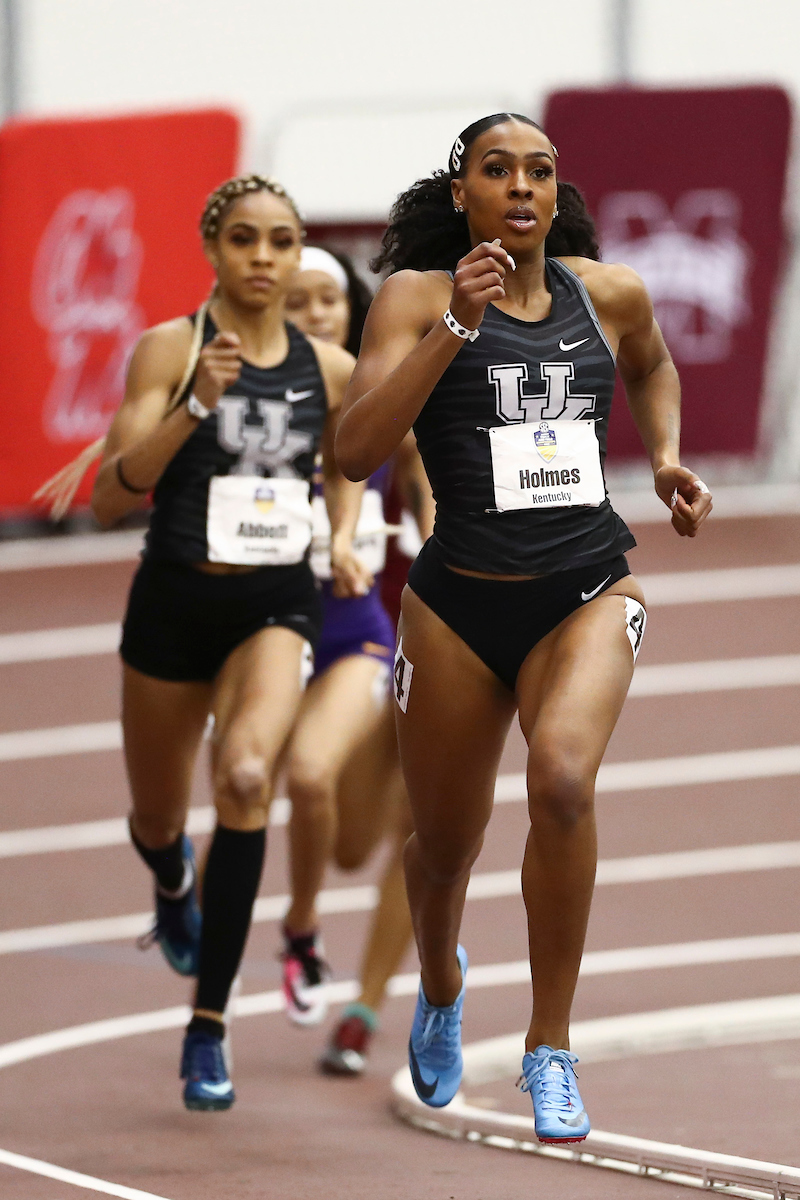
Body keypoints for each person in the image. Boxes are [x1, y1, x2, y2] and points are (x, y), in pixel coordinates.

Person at [335, 113, 712, 1142]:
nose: (518, 187)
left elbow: (651, 366)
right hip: (456, 607)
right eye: (495, 170)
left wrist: (667, 454)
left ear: (555, 193)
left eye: (537, 172)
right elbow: (352, 443)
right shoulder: (415, 299)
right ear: (461, 192)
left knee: (558, 780)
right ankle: (442, 979)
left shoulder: (610, 293)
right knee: (442, 849)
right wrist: (453, 328)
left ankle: (550, 1046)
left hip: (584, 588)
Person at [90, 174, 369, 1112]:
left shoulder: (327, 369)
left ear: (298, 256)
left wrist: (338, 533)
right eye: (245, 239)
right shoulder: (170, 350)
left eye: (282, 242)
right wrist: (193, 407)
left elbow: (349, 466)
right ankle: (171, 876)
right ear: (212, 246)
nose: (263, 258)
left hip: (275, 607)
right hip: (172, 606)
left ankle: (208, 1027)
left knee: (249, 778)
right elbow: (110, 494)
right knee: (161, 819)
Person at [279, 247, 432, 1075]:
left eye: (330, 302)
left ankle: (368, 1007)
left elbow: (428, 478)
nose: (315, 316)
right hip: (320, 638)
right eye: (298, 304)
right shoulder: (272, 402)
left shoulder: (401, 405)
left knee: (423, 832)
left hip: (422, 641)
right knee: (344, 841)